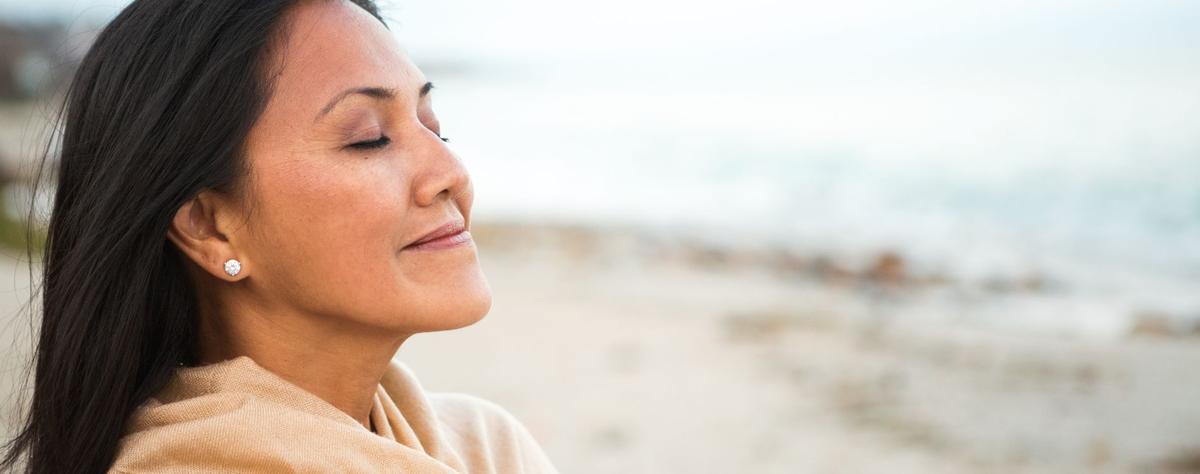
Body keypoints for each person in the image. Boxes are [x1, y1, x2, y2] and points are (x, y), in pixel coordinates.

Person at [0, 0, 559, 472]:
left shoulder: (485, 446)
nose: (451, 173)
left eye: (434, 127)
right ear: (210, 227)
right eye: (368, 139)